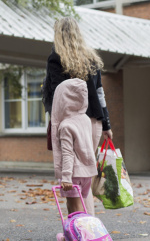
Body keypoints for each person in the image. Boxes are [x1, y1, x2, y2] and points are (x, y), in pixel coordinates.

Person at [42, 16, 113, 155]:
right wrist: (106, 125)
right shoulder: (92, 58)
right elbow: (100, 94)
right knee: (88, 167)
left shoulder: (56, 58)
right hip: (94, 121)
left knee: (70, 167)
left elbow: (58, 92)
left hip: (71, 121)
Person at [52, 78, 97, 215]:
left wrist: (66, 177)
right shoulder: (86, 119)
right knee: (80, 207)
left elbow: (68, 153)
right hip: (87, 174)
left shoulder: (66, 126)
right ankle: (75, 234)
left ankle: (81, 235)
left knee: (74, 209)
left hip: (72, 174)